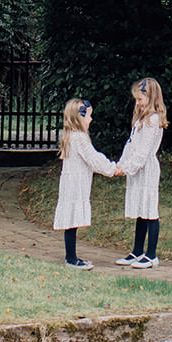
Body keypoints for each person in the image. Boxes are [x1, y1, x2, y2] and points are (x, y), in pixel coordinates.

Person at [52, 97, 121, 269]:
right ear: (78, 118)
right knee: (72, 221)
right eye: (88, 116)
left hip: (71, 183)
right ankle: (71, 259)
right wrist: (112, 169)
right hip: (75, 185)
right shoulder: (80, 138)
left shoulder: (70, 137)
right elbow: (94, 159)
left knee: (71, 222)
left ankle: (71, 256)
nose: (91, 119)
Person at [115, 76, 167, 268]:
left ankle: (151, 255)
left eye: (140, 99)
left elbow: (144, 152)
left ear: (151, 98)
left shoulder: (153, 120)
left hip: (146, 170)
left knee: (150, 210)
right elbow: (131, 145)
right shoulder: (140, 119)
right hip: (136, 170)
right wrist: (121, 164)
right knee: (140, 211)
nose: (137, 103)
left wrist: (128, 168)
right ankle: (137, 251)